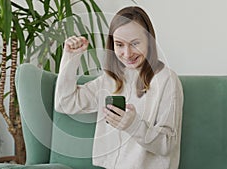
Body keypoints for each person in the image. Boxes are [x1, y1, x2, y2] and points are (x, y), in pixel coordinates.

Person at [55, 6, 183, 169]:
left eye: (135, 43)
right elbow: (65, 103)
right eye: (119, 44)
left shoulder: (167, 80)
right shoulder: (110, 79)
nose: (127, 53)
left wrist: (134, 125)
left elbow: (167, 145)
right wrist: (71, 58)